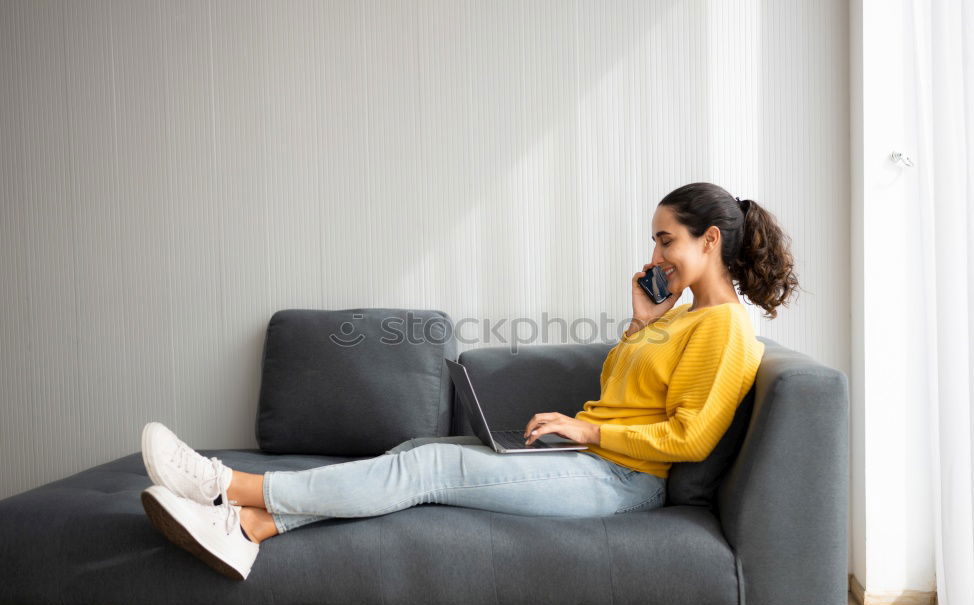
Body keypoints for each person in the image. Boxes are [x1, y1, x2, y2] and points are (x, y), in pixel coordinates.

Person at [139, 181, 801, 581]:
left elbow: (689, 438)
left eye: (666, 242)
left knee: (426, 471)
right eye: (654, 243)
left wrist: (587, 427)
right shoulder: (680, 318)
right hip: (590, 459)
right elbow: (629, 387)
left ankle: (226, 487)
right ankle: (250, 530)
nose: (654, 257)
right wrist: (641, 324)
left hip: (621, 482)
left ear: (709, 241)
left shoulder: (727, 329)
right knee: (410, 455)